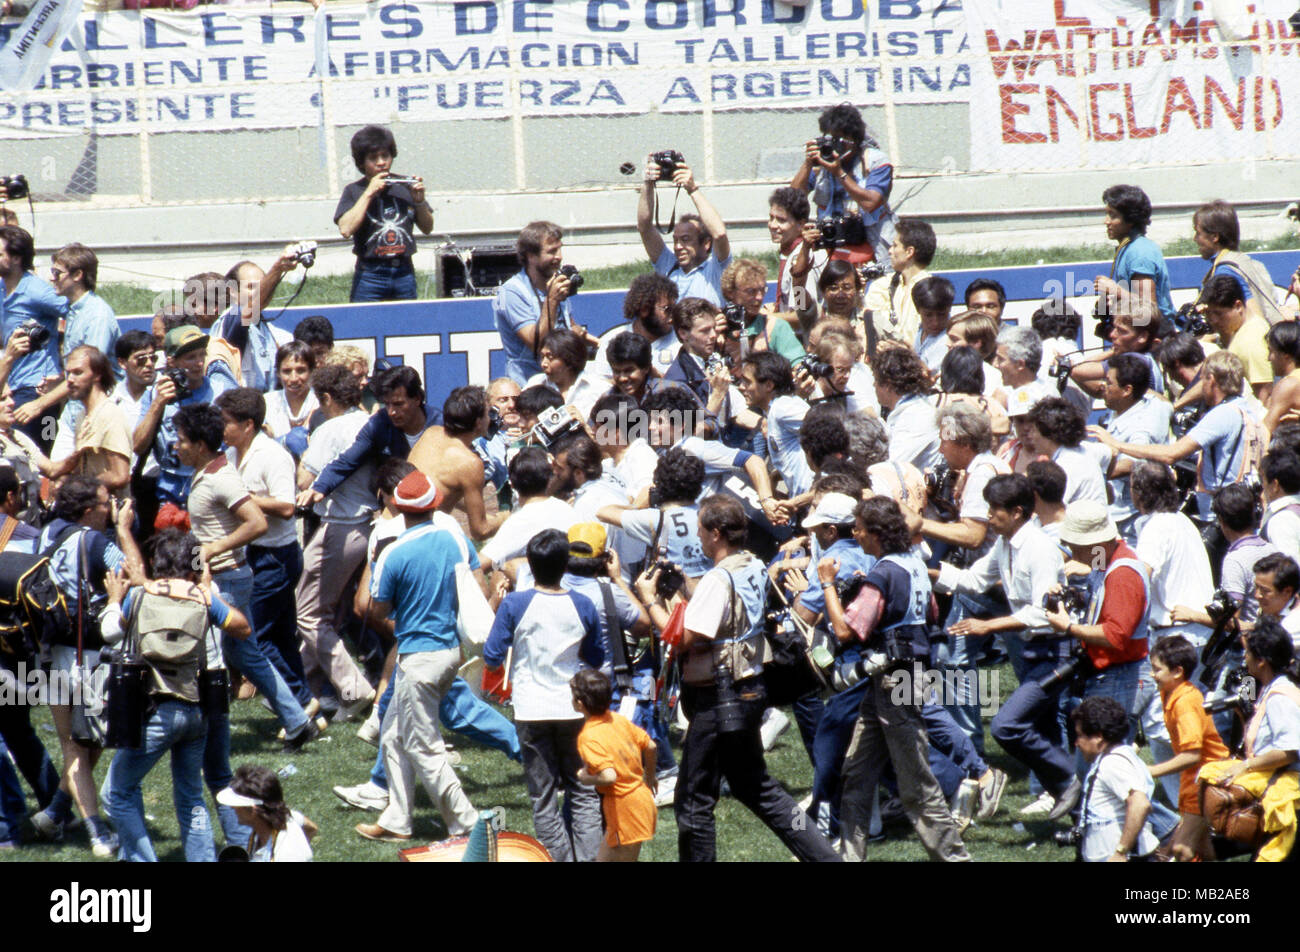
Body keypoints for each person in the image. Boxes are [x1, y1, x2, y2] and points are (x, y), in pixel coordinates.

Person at [637, 494, 839, 862]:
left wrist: (649, 600)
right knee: (757, 788)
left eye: (701, 530)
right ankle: (826, 857)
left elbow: (684, 639)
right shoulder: (752, 565)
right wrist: (683, 582)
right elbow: (726, 609)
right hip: (749, 687)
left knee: (693, 800)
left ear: (716, 533)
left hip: (719, 698)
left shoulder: (718, 578)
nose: (697, 536)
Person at [820, 496, 969, 862]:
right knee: (856, 774)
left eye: (859, 529)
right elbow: (931, 613)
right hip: (903, 675)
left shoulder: (883, 572)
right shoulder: (914, 564)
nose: (855, 535)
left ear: (876, 534)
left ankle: (956, 858)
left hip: (894, 680)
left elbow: (844, 631)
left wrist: (828, 585)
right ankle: (850, 856)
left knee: (917, 784)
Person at [174, 404, 318, 761]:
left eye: (180, 441)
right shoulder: (209, 471)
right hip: (228, 576)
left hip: (227, 580)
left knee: (203, 652)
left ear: (201, 444)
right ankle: (298, 721)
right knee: (246, 653)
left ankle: (196, 730)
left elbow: (256, 523)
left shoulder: (221, 477)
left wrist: (211, 549)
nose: (175, 447)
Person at [100, 529, 251, 863]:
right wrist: (206, 585)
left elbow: (110, 633)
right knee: (191, 795)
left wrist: (114, 600)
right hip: (197, 711)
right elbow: (242, 627)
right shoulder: (202, 595)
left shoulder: (140, 595)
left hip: (154, 711)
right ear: (191, 563)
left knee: (116, 793)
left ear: (157, 563)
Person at [357, 471, 484, 844]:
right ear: (434, 505)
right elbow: (476, 585)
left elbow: (376, 610)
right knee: (394, 735)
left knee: (422, 746)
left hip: (418, 657)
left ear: (396, 506)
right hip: (449, 651)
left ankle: (468, 823)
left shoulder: (393, 551)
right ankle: (397, 818)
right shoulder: (453, 539)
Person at [27, 477, 142, 858]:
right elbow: (137, 577)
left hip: (51, 652)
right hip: (91, 656)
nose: (112, 506)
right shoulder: (94, 542)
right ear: (89, 509)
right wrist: (124, 529)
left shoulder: (46, 533)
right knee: (83, 744)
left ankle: (55, 813)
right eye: (107, 502)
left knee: (78, 743)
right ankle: (97, 832)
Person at [485, 529, 604, 861]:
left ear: (530, 564)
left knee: (544, 795)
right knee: (583, 793)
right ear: (565, 565)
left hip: (531, 709)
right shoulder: (582, 604)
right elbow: (596, 657)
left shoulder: (515, 603)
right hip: (573, 708)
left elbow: (493, 655)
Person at [216, 388, 313, 715]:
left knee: (257, 637)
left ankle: (298, 704)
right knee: (283, 636)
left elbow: (287, 506)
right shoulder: (231, 456)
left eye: (226, 422)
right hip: (253, 554)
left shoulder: (272, 456)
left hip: (276, 556)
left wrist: (242, 499)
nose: (221, 428)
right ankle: (304, 701)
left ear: (247, 424)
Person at [294, 364, 379, 722]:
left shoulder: (331, 428)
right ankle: (307, 689)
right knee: (329, 612)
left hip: (340, 527)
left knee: (308, 614)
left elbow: (304, 480)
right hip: (370, 524)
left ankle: (354, 688)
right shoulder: (374, 422)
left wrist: (304, 442)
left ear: (326, 398)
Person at [1090, 351, 1264, 520]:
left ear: (1211, 380)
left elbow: (1171, 454)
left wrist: (1117, 444)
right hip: (1240, 509)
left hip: (1221, 515)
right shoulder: (1246, 409)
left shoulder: (1222, 414)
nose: (1200, 387)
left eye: (1202, 379)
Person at [1197, 619, 1300, 862]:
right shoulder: (1270, 686)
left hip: (1291, 800)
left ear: (1262, 660)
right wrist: (1244, 715)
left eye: (1248, 653)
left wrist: (1245, 766)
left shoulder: (1280, 697)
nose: (1244, 658)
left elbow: (1289, 751)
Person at [1146, 635, 1229, 861]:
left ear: (1177, 671)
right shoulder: (1170, 692)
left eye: (1157, 670)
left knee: (1182, 848)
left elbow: (1192, 755)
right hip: (1194, 778)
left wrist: (1151, 771)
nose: (1152, 675)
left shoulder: (1184, 702)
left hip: (1206, 778)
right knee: (1201, 845)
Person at [133, 325, 221, 527]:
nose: (199, 363)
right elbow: (138, 445)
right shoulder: (154, 394)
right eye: (190, 357)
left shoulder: (219, 392)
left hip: (208, 490)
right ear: (171, 361)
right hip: (169, 494)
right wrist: (158, 403)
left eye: (202, 355)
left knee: (200, 556)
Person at [335, 124, 432, 302]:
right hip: (370, 273)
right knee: (365, 325)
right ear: (361, 163)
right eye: (373, 158)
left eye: (385, 156)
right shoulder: (354, 190)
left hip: (404, 271)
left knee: (406, 325)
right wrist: (369, 192)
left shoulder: (404, 186)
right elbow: (345, 229)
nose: (381, 163)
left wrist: (419, 201)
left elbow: (427, 228)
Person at [791, 102, 897, 263]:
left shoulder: (875, 161)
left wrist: (839, 172)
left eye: (838, 139)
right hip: (832, 240)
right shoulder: (821, 163)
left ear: (852, 139)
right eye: (828, 139)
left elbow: (871, 202)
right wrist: (808, 164)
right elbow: (792, 200)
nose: (833, 145)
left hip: (871, 239)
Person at [571, 668, 657, 863]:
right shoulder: (618, 720)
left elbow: (609, 776)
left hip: (624, 809)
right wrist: (650, 778)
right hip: (641, 800)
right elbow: (651, 746)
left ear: (580, 704)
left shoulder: (588, 737)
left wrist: (585, 778)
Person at [1071, 696, 1161, 862]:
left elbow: (1140, 804)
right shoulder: (1113, 757)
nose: (1076, 743)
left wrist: (1121, 851)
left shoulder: (1113, 763)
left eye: (1080, 736)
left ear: (1098, 736)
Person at [0, 225, 67, 447]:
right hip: (12, 387)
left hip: (37, 390)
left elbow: (73, 308)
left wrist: (63, 346)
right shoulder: (2, 289)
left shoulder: (36, 291)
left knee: (39, 450)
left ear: (17, 258)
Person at [636, 154, 730, 308]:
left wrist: (692, 189)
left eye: (685, 240)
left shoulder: (717, 269)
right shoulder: (668, 265)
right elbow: (644, 227)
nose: (678, 247)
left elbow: (719, 234)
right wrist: (648, 182)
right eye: (675, 240)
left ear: (706, 244)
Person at [1095, 353, 1171, 542]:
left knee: (1128, 566)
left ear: (1127, 390)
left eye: (1109, 382)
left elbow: (1133, 463)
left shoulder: (1141, 427)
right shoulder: (1146, 403)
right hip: (1115, 515)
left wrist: (1094, 470)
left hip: (1129, 521)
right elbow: (1165, 403)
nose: (1102, 386)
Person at [1192, 199, 1287, 325]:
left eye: (1198, 233)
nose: (1195, 239)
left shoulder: (1225, 270)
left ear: (1215, 237)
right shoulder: (1247, 262)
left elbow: (1252, 315)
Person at [737, 351, 813, 498]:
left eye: (747, 382)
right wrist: (775, 475)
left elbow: (827, 428)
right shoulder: (775, 410)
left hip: (814, 502)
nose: (741, 387)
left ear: (768, 385)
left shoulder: (783, 407)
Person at [1093, 184, 1174, 321]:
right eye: (1106, 214)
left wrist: (1115, 290)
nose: (1106, 221)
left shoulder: (1139, 253)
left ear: (1130, 220)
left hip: (1156, 337)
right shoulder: (1128, 247)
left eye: (1113, 216)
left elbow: (1148, 307)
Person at [63, 346, 132, 499]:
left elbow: (120, 475)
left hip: (111, 513)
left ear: (97, 375)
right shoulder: (82, 415)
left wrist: (81, 486)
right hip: (90, 509)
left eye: (78, 372)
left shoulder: (109, 414)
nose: (70, 379)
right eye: (68, 373)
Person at [216, 765, 316, 862]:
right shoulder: (287, 816)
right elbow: (311, 827)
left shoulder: (287, 855)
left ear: (254, 809)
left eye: (236, 804)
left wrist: (297, 847)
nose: (232, 807)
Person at [862, 218, 935, 347]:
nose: (890, 251)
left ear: (909, 252)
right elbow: (870, 326)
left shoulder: (933, 292)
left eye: (895, 245)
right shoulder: (881, 286)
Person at [1202, 272, 1273, 404]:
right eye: (1209, 313)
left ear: (1238, 306)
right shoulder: (1245, 329)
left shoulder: (1252, 341)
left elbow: (1264, 394)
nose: (1213, 320)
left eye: (1219, 313)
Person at [1023, 397, 1108, 506]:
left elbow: (1052, 510)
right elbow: (1109, 452)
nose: (1030, 436)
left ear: (1049, 433)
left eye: (1034, 430)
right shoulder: (1084, 449)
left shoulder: (1066, 466)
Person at [725, 258, 805, 366]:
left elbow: (801, 315)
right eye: (751, 291)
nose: (760, 297)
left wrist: (799, 279)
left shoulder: (800, 267)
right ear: (731, 292)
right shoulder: (719, 324)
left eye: (763, 290)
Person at [872, 345, 940, 472]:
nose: (873, 385)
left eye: (876, 380)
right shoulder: (910, 410)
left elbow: (890, 467)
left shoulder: (918, 416)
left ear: (887, 385)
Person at [768, 186, 826, 327]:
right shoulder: (790, 252)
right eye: (771, 218)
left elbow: (801, 315)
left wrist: (766, 317)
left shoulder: (802, 260)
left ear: (800, 224)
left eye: (781, 220)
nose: (772, 225)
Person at [263, 341, 318, 459]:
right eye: (287, 371)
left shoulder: (321, 402)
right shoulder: (266, 403)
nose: (293, 378)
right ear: (278, 373)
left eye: (301, 370)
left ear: (312, 371)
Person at [994, 324, 1055, 417]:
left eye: (1000, 359)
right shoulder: (1005, 392)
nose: (996, 365)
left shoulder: (1040, 395)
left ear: (1020, 364)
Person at [1264, 320, 1300, 433]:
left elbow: (1265, 431)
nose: (1269, 358)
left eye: (1271, 352)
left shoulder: (1288, 385)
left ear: (1286, 355)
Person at [913, 276, 954, 373]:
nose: (935, 322)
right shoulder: (919, 329)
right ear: (918, 310)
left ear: (949, 308)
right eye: (928, 315)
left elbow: (928, 376)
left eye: (941, 314)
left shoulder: (949, 340)